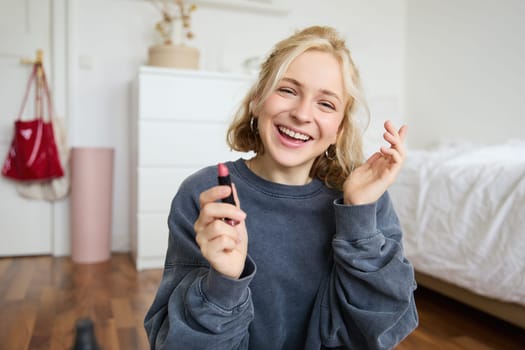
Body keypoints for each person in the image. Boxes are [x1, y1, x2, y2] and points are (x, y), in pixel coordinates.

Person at [144, 25, 418, 349]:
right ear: (259, 99)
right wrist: (224, 284)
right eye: (288, 90)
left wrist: (358, 218)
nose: (302, 114)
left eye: (326, 104)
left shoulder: (364, 202)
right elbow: (175, 342)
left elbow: (380, 328)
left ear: (340, 129)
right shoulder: (204, 195)